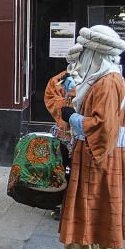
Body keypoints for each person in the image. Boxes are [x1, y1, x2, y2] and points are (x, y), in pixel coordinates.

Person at [51, 25, 125, 249]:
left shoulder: (108, 83)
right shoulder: (110, 78)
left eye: (85, 51)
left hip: (96, 158)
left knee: (85, 214)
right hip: (105, 157)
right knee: (102, 213)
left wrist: (70, 117)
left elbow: (102, 127)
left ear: (95, 53)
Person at [42, 48, 79, 220]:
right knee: (63, 167)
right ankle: (61, 202)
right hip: (65, 133)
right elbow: (50, 98)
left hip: (85, 135)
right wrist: (68, 105)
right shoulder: (60, 79)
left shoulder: (96, 80)